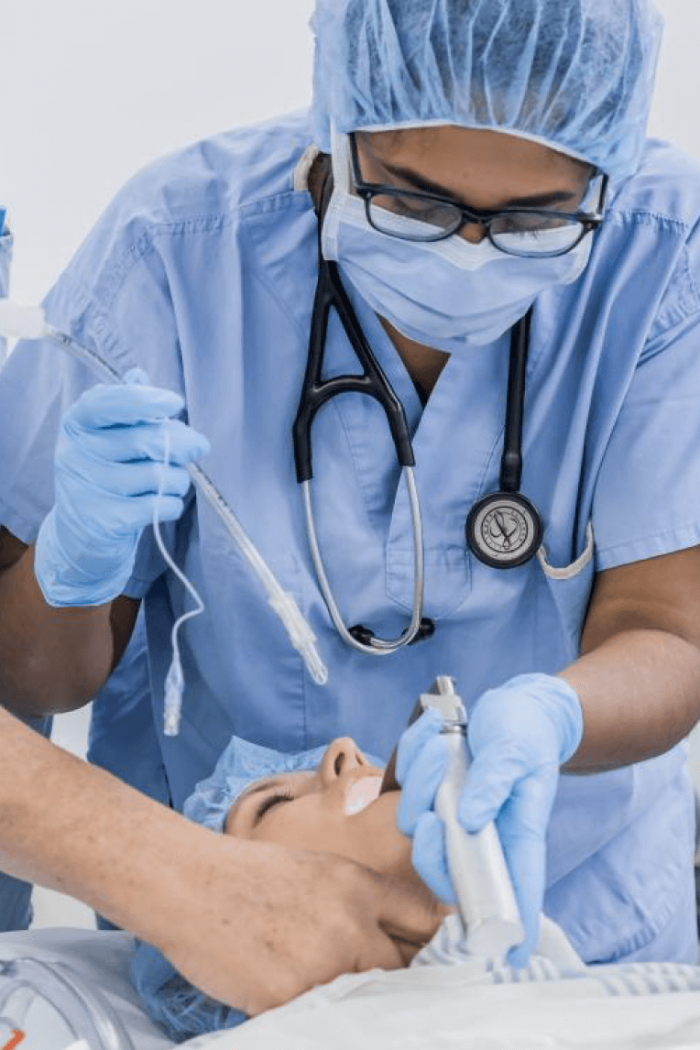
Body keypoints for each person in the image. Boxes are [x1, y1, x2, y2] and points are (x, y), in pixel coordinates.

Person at [0, 0, 699, 1002]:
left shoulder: (667, 250)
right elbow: (30, 674)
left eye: (535, 220)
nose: (470, 249)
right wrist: (74, 560)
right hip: (230, 958)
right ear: (336, 126)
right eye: (412, 202)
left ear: (604, 178)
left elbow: (668, 631)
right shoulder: (179, 249)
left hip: (595, 918)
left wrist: (555, 713)